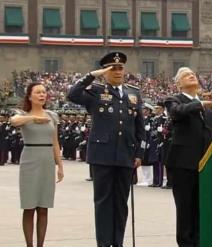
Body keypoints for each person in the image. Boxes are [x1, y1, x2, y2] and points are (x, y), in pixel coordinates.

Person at [67, 51, 146, 247]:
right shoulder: (95, 91)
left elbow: (140, 128)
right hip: (102, 155)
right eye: (113, 68)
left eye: (120, 68)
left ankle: (117, 242)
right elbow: (72, 94)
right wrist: (92, 75)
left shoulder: (133, 93)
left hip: (126, 156)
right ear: (105, 71)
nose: (118, 72)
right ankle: (104, 243)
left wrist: (139, 153)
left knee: (121, 204)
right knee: (103, 203)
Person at [164, 67, 212, 247]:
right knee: (185, 208)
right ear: (179, 83)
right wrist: (201, 104)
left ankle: (200, 241)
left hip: (206, 165)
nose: (192, 75)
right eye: (186, 75)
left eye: (193, 74)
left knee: (202, 208)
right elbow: (177, 112)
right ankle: (186, 243)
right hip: (183, 165)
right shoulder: (174, 100)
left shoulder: (209, 109)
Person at [10, 82, 64, 247]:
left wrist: (60, 166)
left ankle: (40, 245)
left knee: (43, 208)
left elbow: (55, 142)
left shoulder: (52, 116)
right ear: (29, 96)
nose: (42, 95)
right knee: (29, 207)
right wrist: (33, 117)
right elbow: (14, 121)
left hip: (47, 161)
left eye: (44, 92)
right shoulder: (22, 114)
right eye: (38, 92)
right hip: (29, 160)